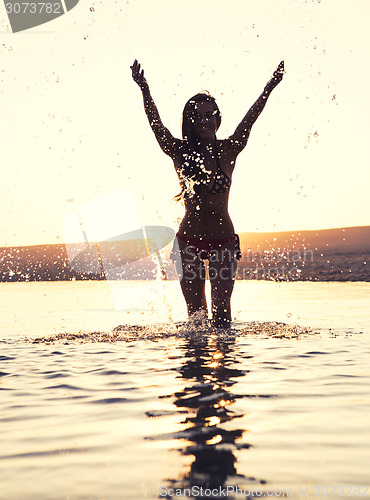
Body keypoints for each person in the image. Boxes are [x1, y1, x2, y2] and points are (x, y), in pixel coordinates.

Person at [131, 59, 284, 327]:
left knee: (223, 316)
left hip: (223, 240)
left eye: (208, 114)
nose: (203, 120)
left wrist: (269, 88)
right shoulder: (180, 151)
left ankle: (223, 364)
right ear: (189, 121)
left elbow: (250, 119)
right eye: (197, 116)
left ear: (217, 118)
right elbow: (156, 125)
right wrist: (145, 89)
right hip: (188, 241)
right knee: (196, 318)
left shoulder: (229, 149)